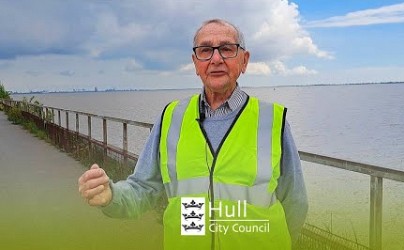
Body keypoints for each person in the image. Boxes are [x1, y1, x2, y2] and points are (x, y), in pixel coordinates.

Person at [78, 19, 308, 250]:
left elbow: (295, 203)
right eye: (205, 50)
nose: (216, 59)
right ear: (195, 62)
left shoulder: (272, 120)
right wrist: (111, 196)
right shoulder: (172, 117)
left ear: (244, 61)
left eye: (227, 49)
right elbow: (144, 189)